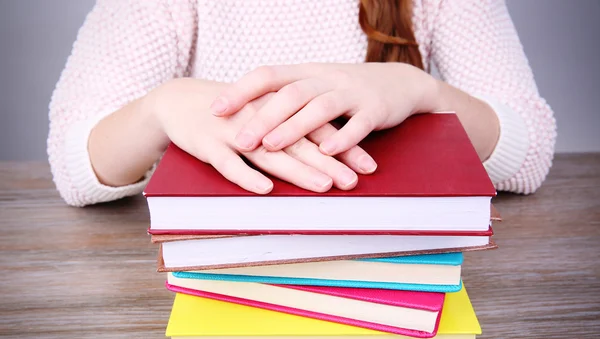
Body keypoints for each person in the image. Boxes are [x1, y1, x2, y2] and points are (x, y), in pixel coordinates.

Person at [48, 0, 556, 207]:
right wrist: (159, 108)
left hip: (397, 260)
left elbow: (529, 153)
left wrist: (423, 90)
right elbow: (76, 165)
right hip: (216, 265)